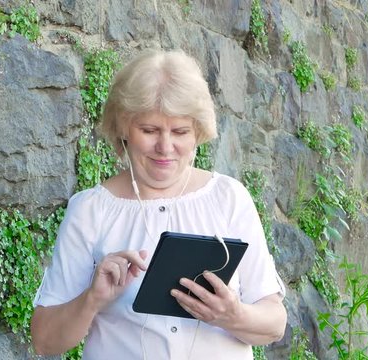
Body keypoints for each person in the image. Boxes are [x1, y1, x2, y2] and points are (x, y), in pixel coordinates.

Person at [30, 49, 287, 359]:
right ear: (124, 127)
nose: (166, 147)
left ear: (198, 132)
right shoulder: (91, 210)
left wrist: (232, 314)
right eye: (149, 130)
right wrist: (92, 299)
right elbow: (45, 342)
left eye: (180, 131)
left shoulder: (228, 198)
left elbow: (274, 324)